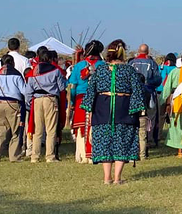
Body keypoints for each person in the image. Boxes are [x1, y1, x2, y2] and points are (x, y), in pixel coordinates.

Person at [80, 40, 144, 184]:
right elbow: (138, 91)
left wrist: (90, 111)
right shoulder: (130, 70)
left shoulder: (100, 70)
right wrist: (136, 110)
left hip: (103, 108)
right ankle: (116, 178)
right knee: (122, 140)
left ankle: (107, 177)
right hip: (123, 108)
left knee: (105, 141)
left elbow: (91, 91)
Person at [24, 47, 66, 163]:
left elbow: (28, 91)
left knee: (38, 130)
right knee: (51, 129)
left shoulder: (33, 72)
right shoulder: (55, 70)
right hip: (51, 99)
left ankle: (35, 156)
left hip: (37, 100)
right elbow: (62, 87)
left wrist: (29, 102)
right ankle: (50, 156)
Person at [68, 40, 105, 163]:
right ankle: (95, 154)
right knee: (96, 126)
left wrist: (72, 102)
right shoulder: (103, 66)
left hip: (81, 98)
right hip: (98, 98)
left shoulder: (79, 66)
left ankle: (82, 156)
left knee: (81, 128)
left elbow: (72, 86)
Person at [0, 55, 26, 162]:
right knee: (16, 131)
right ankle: (14, 156)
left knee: (0, 132)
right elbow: (24, 91)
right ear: (12, 63)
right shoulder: (17, 75)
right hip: (13, 104)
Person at [129, 44, 162, 148]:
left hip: (133, 94)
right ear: (148, 52)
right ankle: (149, 140)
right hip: (149, 94)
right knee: (150, 118)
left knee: (134, 117)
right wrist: (148, 83)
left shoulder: (131, 63)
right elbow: (158, 79)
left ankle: (135, 140)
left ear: (138, 51)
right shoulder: (152, 63)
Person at [160, 52, 182, 157]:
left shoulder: (174, 72)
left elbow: (167, 88)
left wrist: (162, 101)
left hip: (177, 101)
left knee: (178, 126)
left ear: (181, 61)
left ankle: (180, 151)